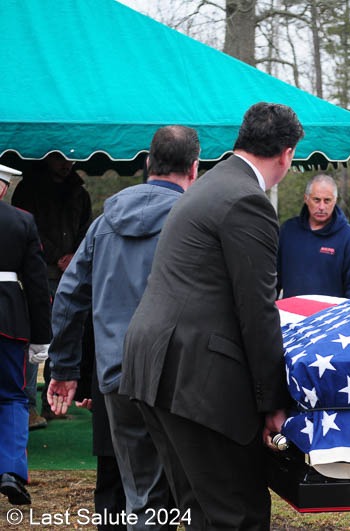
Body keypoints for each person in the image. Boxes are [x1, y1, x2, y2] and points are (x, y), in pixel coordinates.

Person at [120, 102, 302, 530]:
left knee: (201, 509)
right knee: (237, 515)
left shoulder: (210, 185)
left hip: (160, 367)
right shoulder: (247, 201)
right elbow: (257, 310)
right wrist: (273, 403)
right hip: (196, 378)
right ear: (286, 154)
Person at [47, 125, 201, 529]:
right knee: (188, 497)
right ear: (194, 168)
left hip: (117, 375)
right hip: (175, 376)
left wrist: (65, 368)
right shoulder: (195, 222)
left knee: (141, 497)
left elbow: (68, 296)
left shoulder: (103, 224)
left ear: (148, 163)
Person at [12, 151, 92, 426]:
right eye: (59, 158)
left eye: (69, 159)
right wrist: (58, 255)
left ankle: (53, 403)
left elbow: (86, 230)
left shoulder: (80, 194)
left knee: (66, 336)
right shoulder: (28, 190)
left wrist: (75, 256)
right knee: (33, 339)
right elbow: (26, 229)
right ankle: (28, 407)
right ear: (46, 158)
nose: (66, 164)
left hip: (70, 275)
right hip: (37, 275)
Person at [0, 164, 51, 505]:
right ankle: (11, 471)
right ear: (4, 188)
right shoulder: (21, 221)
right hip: (9, 321)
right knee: (13, 397)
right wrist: (41, 337)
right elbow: (36, 285)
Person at [277, 173, 350, 299]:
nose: (321, 207)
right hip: (291, 311)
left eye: (327, 201)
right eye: (316, 200)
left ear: (335, 201)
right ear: (306, 199)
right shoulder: (288, 231)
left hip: (332, 312)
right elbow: (273, 280)